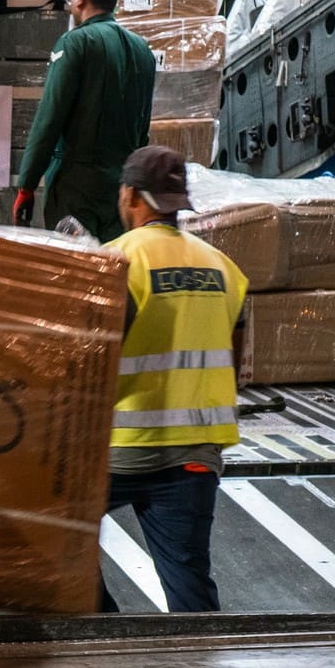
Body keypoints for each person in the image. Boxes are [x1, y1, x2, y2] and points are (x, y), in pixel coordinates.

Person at [99, 145, 247, 613]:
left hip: (119, 451)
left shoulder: (116, 261)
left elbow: (91, 359)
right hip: (196, 453)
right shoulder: (224, 267)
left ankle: (104, 632)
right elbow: (235, 354)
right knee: (189, 583)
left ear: (131, 197)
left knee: (58, 550)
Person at [13, 0, 156, 241]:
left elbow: (49, 118)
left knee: (74, 273)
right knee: (113, 271)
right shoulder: (143, 50)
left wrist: (26, 185)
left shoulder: (75, 42)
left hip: (76, 186)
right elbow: (143, 129)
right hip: (123, 188)